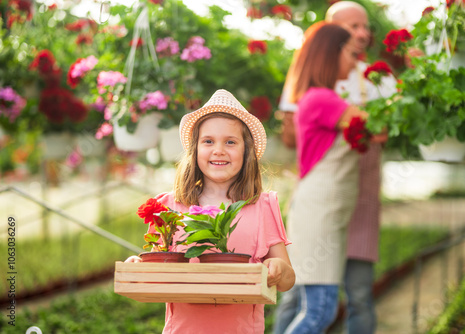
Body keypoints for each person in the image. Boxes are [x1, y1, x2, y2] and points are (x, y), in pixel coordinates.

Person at [126, 89, 295, 334]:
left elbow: (288, 281)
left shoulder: (262, 206)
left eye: (230, 142)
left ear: (246, 151)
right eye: (208, 141)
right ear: (195, 150)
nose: (219, 150)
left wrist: (279, 268)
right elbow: (156, 269)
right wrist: (137, 268)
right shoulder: (169, 207)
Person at [274, 2, 397, 334]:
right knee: (319, 310)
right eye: (346, 49)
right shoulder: (324, 100)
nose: (353, 55)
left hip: (331, 209)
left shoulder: (320, 97)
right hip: (321, 212)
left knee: (320, 308)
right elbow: (380, 128)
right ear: (330, 56)